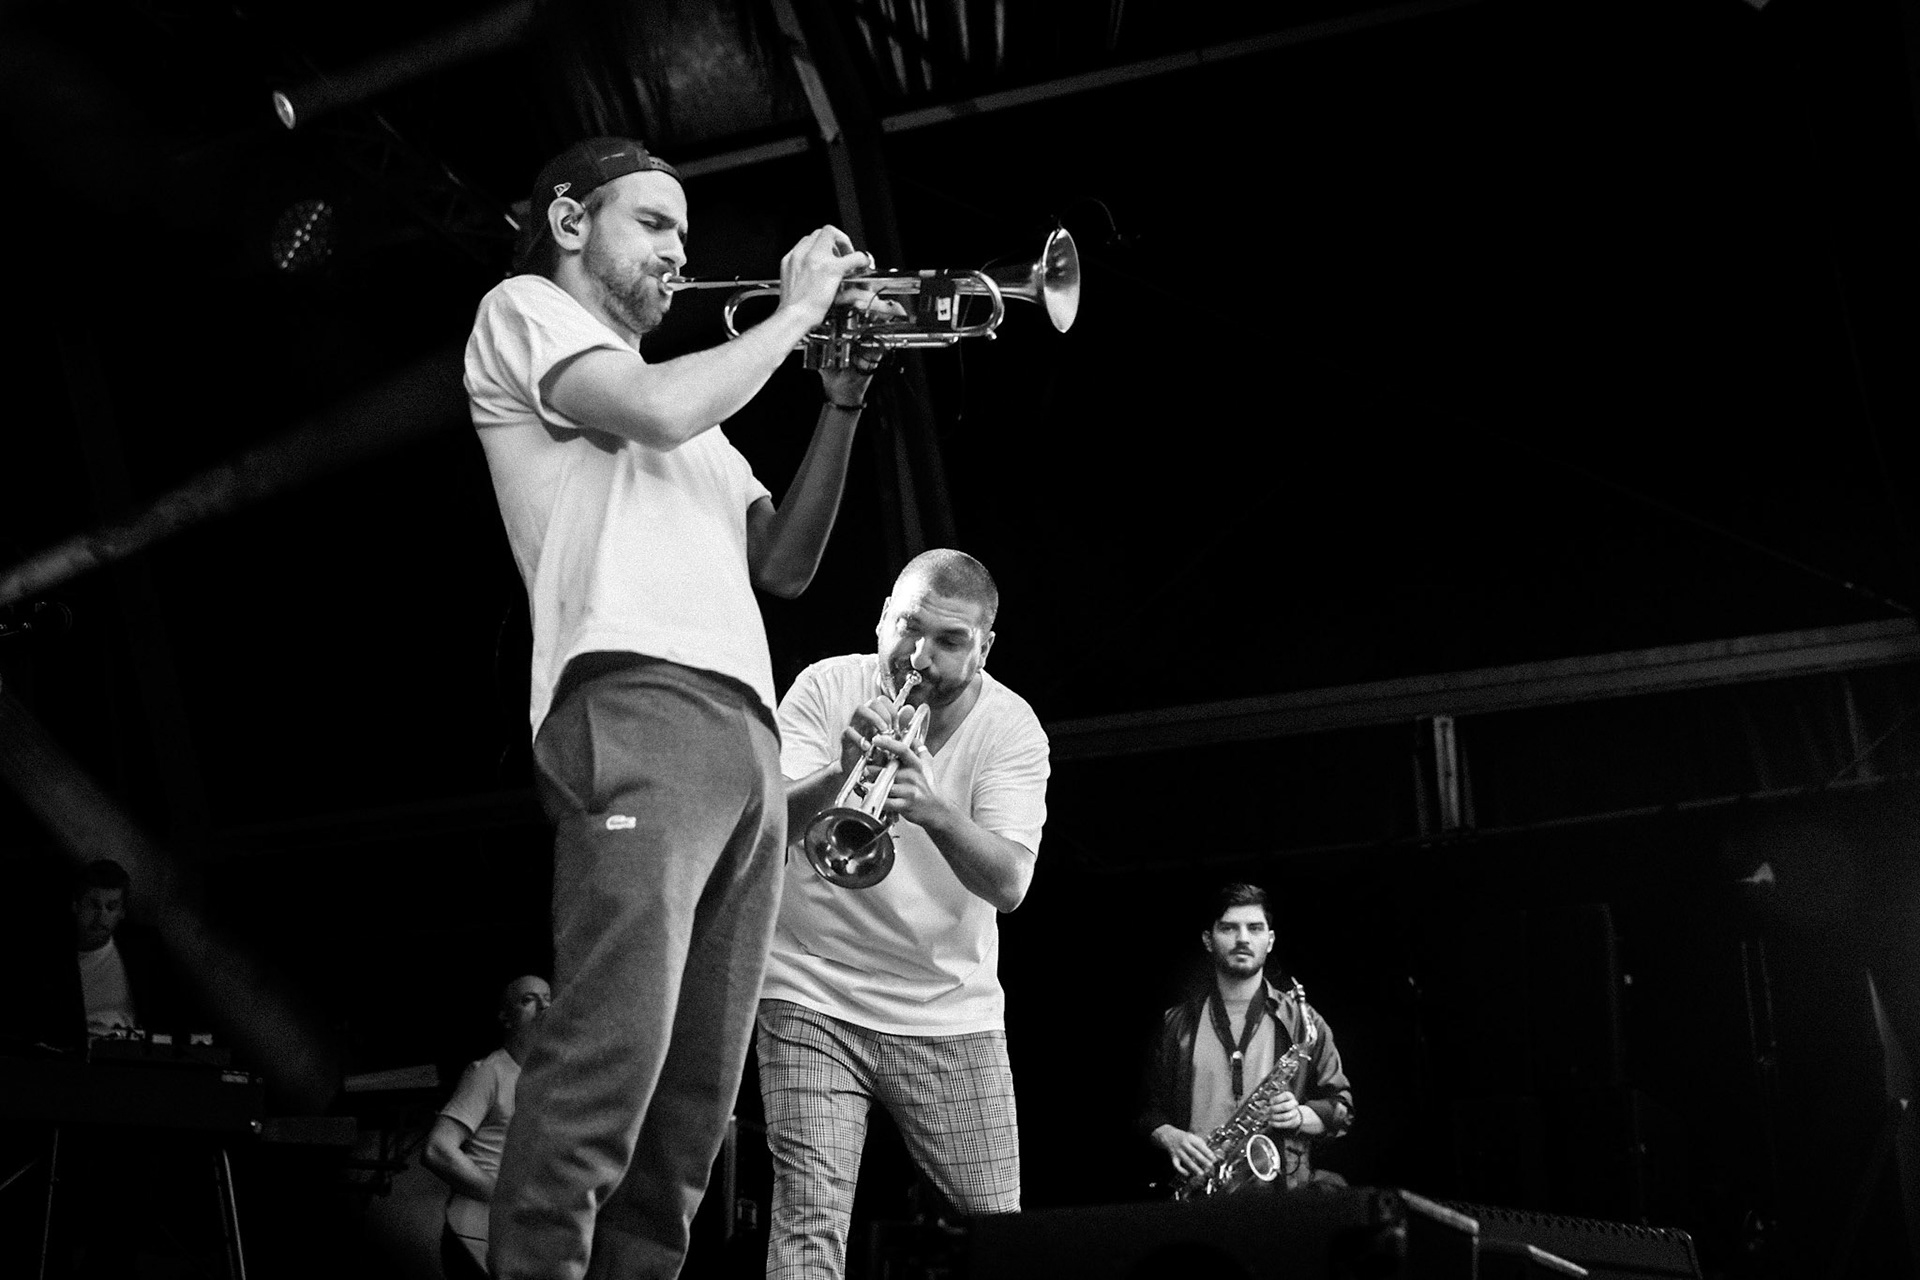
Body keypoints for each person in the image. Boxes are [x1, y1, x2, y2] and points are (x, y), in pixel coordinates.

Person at [465, 135, 884, 1280]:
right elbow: (645, 408)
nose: (678, 252)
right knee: (609, 1054)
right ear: (567, 221)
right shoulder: (524, 312)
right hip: (635, 700)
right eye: (653, 223)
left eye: (685, 237)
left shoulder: (704, 413)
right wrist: (795, 312)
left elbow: (785, 562)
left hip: (742, 733)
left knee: (690, 1111)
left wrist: (839, 404)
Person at [758, 548, 1050, 1279]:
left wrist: (935, 810)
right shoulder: (826, 688)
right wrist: (838, 771)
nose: (919, 657)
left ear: (984, 647)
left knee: (998, 1233)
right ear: (883, 617)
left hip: (947, 1010)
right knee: (809, 1224)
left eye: (949, 641)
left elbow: (1012, 883)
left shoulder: (1012, 728)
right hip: (809, 988)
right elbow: (763, 832)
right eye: (908, 629)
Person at [1138, 883, 1353, 1193]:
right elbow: (1146, 1110)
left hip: (1280, 1193)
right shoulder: (1175, 1024)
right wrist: (1167, 1134)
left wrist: (1300, 1115)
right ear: (1208, 940)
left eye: (1254, 928)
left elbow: (1342, 1111)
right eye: (1229, 928)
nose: (1242, 939)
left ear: (1270, 940)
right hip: (1198, 1190)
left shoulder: (1304, 1022)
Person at [424, 975, 553, 1279]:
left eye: (548, 998)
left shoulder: (549, 1084)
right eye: (528, 999)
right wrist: (504, 1197)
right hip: (475, 1234)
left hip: (513, 1236)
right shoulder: (489, 1072)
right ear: (505, 1019)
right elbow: (437, 1149)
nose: (543, 1006)